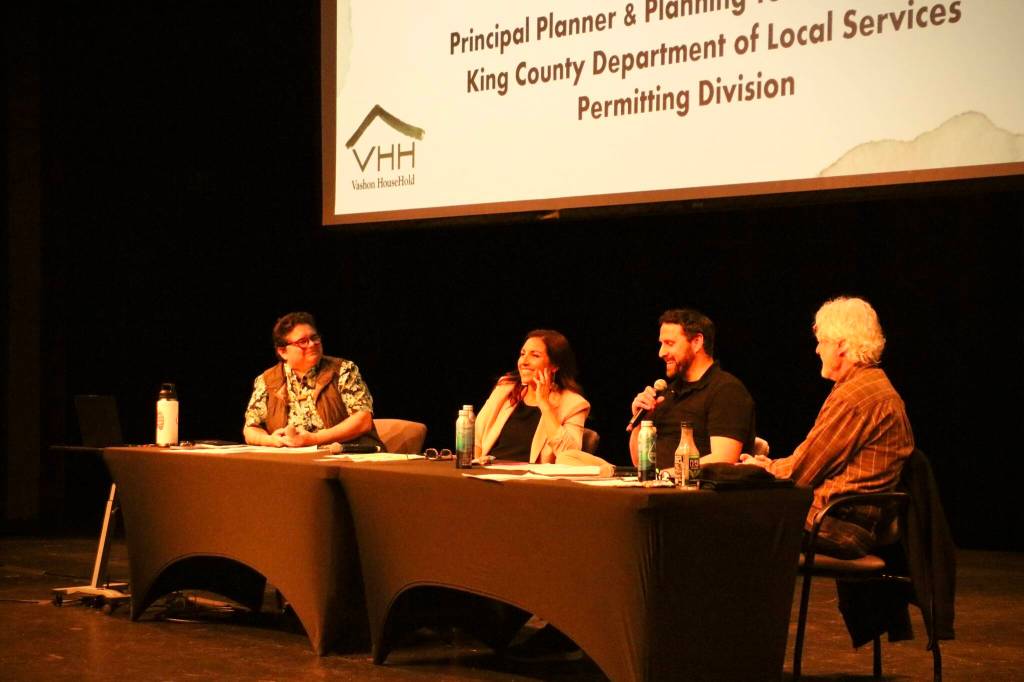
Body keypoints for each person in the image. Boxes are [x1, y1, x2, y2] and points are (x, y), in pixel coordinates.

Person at [741, 296, 914, 558]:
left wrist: (761, 469)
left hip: (838, 524)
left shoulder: (856, 396)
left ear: (842, 345)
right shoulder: (872, 386)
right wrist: (769, 466)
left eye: (822, 342)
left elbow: (803, 472)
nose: (817, 350)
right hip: (844, 519)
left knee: (730, 517)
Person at [629, 308, 756, 470]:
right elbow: (639, 462)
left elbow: (724, 458)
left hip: (694, 486)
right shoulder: (666, 393)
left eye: (669, 343)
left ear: (697, 342)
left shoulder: (726, 390)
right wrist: (640, 423)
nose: (661, 353)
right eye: (661, 344)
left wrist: (667, 474)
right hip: (655, 483)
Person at [243, 312, 384, 449]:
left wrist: (314, 439)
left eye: (314, 338)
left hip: (346, 454)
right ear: (283, 351)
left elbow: (363, 420)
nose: (312, 344)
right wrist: (271, 440)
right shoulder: (267, 380)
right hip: (292, 458)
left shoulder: (342, 370)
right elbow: (250, 429)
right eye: (302, 342)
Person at [475, 329, 590, 463]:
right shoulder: (505, 389)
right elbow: (477, 438)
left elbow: (570, 455)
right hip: (489, 470)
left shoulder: (574, 404)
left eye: (535, 355)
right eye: (522, 354)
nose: (524, 361)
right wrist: (477, 467)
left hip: (531, 475)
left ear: (554, 365)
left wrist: (545, 405)